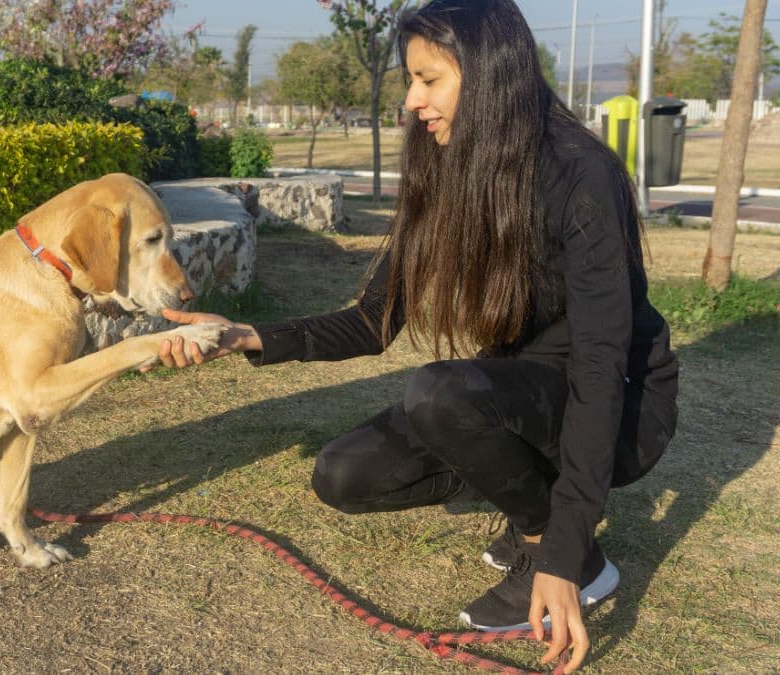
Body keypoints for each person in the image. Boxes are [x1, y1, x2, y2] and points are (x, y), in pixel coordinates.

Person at [153, 1, 679, 672]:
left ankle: (562, 546)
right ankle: (531, 502)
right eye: (411, 80)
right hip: (516, 394)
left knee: (439, 394)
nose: (411, 100)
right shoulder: (448, 164)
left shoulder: (583, 176)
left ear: (489, 74)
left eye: (428, 79)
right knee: (343, 473)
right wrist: (248, 335)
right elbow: (374, 319)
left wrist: (563, 548)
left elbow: (603, 370)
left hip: (622, 407)